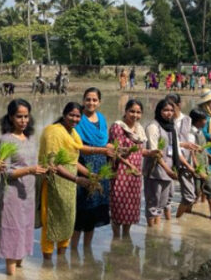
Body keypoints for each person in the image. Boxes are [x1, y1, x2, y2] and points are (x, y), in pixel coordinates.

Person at [36, 102, 102, 261]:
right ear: (64, 114)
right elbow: (53, 165)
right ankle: (46, 263)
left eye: (78, 116)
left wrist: (89, 175)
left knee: (68, 220)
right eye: (71, 115)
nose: (74, 119)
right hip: (54, 183)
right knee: (51, 222)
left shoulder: (72, 134)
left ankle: (62, 260)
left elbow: (73, 161)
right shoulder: (53, 132)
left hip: (69, 186)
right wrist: (77, 179)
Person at [0, 99, 45, 276]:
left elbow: (35, 163)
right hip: (12, 195)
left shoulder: (31, 139)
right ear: (10, 117)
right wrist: (29, 170)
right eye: (19, 117)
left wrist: (45, 168)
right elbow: (5, 172)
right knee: (12, 232)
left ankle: (19, 279)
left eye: (26, 116)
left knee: (25, 230)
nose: (23, 120)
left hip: (28, 194)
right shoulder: (6, 140)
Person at [72, 88, 111, 249]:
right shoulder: (76, 119)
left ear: (99, 102)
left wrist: (116, 150)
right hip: (83, 166)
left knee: (94, 211)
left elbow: (103, 143)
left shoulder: (101, 119)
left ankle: (87, 248)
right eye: (88, 99)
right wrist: (102, 150)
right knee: (81, 211)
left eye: (94, 100)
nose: (91, 103)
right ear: (83, 100)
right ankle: (73, 249)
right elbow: (76, 146)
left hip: (101, 167)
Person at [108, 100, 147, 239]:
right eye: (132, 111)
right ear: (125, 111)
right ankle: (116, 237)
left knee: (131, 206)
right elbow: (115, 152)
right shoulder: (118, 127)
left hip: (135, 175)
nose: (135, 115)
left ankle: (126, 235)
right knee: (118, 204)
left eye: (138, 112)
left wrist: (152, 153)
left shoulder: (140, 130)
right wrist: (130, 166)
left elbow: (139, 152)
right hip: (120, 172)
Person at [143, 99, 179, 227]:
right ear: (159, 111)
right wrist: (168, 170)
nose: (169, 113)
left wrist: (173, 169)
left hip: (168, 170)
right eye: (165, 110)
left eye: (171, 110)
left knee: (162, 203)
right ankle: (151, 232)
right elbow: (154, 152)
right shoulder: (153, 126)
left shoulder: (171, 127)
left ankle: (157, 230)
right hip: (155, 171)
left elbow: (175, 148)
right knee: (153, 203)